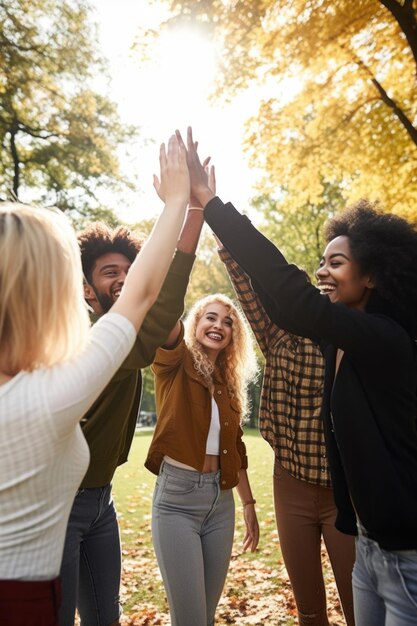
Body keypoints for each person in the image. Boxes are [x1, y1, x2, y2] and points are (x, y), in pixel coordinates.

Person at [183, 126, 417, 626]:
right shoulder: (339, 343)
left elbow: (292, 296)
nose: (323, 272)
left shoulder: (385, 339)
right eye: (322, 262)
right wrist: (211, 219)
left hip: (404, 551)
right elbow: (276, 299)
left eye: (337, 262)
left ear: (372, 274)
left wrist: (216, 205)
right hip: (372, 543)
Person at [0, 134, 190, 626]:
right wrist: (178, 202)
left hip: (95, 507)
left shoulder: (47, 375)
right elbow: (146, 294)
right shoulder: (53, 390)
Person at [59, 216, 197, 626]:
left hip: (101, 501)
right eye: (110, 272)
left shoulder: (127, 333)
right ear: (87, 289)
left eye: (130, 271)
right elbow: (165, 304)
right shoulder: (94, 339)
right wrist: (190, 215)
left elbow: (164, 312)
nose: (123, 278)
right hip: (61, 505)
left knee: (106, 617)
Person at [217, 243, 355, 625]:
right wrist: (227, 243)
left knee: (358, 598)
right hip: (290, 485)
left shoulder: (347, 341)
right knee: (308, 605)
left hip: (340, 490)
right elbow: (247, 287)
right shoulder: (278, 338)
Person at [145, 291, 260, 626]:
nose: (218, 325)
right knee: (191, 618)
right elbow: (165, 316)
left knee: (205, 617)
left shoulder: (227, 383)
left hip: (221, 504)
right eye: (210, 317)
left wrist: (249, 504)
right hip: (177, 502)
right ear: (195, 322)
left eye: (227, 322)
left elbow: (235, 449)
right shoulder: (174, 361)